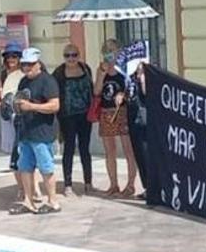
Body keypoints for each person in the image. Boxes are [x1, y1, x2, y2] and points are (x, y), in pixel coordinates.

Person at [11, 48, 61, 214]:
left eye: (30, 64)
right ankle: (28, 200)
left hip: (42, 132)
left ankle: (53, 201)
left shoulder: (48, 81)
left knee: (46, 167)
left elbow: (55, 105)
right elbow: (20, 101)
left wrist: (32, 106)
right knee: (24, 166)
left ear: (38, 63)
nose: (27, 67)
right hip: (26, 131)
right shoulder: (23, 82)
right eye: (24, 64)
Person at [95, 39, 138, 197]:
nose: (109, 53)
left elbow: (132, 89)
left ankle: (131, 184)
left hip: (123, 111)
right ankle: (113, 184)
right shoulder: (101, 68)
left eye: (112, 50)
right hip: (107, 112)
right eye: (106, 50)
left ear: (119, 51)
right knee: (110, 151)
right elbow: (97, 91)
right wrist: (102, 74)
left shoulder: (125, 68)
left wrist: (123, 95)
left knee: (128, 149)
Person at [53, 44, 93, 196]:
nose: (71, 58)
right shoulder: (59, 73)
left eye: (74, 55)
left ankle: (88, 183)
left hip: (85, 115)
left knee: (85, 149)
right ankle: (68, 185)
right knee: (69, 149)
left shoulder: (85, 69)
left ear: (79, 55)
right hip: (67, 116)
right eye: (67, 55)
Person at [0, 41, 24, 171]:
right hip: (8, 113)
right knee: (12, 142)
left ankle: (20, 164)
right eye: (8, 57)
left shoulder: (24, 73)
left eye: (14, 56)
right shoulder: (3, 74)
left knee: (20, 142)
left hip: (21, 112)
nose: (11, 59)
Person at [125, 58, 150, 199]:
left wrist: (142, 77)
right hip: (133, 119)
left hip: (146, 121)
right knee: (139, 155)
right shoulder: (129, 77)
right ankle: (146, 186)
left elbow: (147, 93)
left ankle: (153, 187)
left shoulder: (147, 76)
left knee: (147, 154)